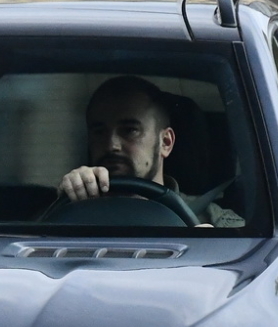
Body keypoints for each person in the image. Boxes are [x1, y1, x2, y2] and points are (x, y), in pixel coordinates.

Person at [55, 76, 241, 225]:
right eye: (99, 131)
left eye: (130, 130)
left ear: (166, 142)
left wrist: (211, 252)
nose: (111, 145)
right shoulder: (72, 210)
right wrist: (69, 200)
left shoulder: (215, 221)